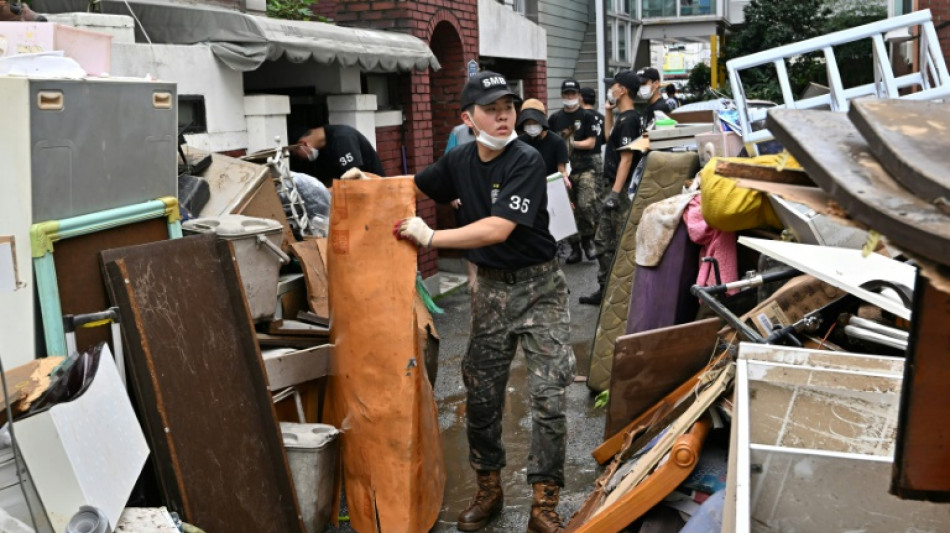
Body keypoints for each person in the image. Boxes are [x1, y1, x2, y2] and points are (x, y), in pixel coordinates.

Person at [394, 71, 575, 533]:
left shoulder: (526, 159)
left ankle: (544, 501)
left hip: (541, 289)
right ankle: (489, 490)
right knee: (481, 396)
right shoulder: (457, 160)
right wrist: (370, 181)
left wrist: (432, 235)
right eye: (492, 109)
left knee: (550, 395)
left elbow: (497, 228)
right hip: (492, 290)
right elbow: (413, 186)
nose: (503, 115)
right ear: (468, 118)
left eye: (508, 107)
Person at [580, 71, 643, 305]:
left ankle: (616, 292)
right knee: (604, 240)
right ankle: (607, 289)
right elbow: (607, 137)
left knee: (612, 241)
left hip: (620, 189)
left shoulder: (630, 120)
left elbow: (626, 159)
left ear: (623, 90)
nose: (611, 89)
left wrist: (615, 194)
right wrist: (608, 111)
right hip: (615, 186)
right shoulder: (623, 117)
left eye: (614, 86)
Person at [548, 79, 599, 264]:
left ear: (579, 95)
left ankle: (588, 240)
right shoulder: (554, 119)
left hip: (585, 168)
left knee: (586, 205)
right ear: (562, 95)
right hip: (563, 171)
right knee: (567, 211)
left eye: (572, 93)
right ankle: (575, 247)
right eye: (566, 94)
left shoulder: (587, 116)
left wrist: (568, 143)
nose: (569, 97)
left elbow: (591, 142)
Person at [290, 124, 385, 186]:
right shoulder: (324, 148)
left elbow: (354, 177)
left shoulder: (342, 138)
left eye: (296, 155)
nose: (299, 159)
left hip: (373, 193)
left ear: (302, 144)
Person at [517, 98, 569, 183]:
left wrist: (564, 178)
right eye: (528, 123)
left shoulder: (557, 142)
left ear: (542, 120)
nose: (531, 126)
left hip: (551, 186)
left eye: (534, 122)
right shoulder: (519, 143)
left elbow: (562, 170)